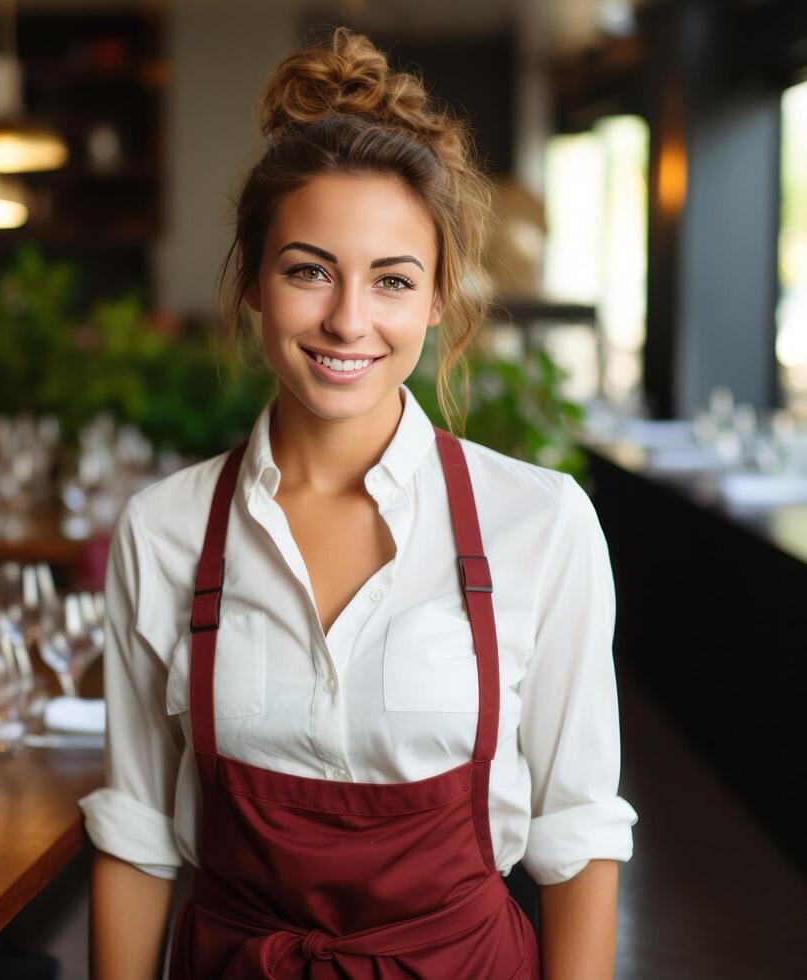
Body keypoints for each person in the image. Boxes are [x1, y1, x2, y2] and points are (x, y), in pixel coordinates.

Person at [81, 26, 638, 980]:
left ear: (436, 300)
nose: (348, 319)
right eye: (308, 270)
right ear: (254, 283)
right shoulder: (164, 531)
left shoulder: (540, 524)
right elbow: (136, 834)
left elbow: (576, 832)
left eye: (391, 281)